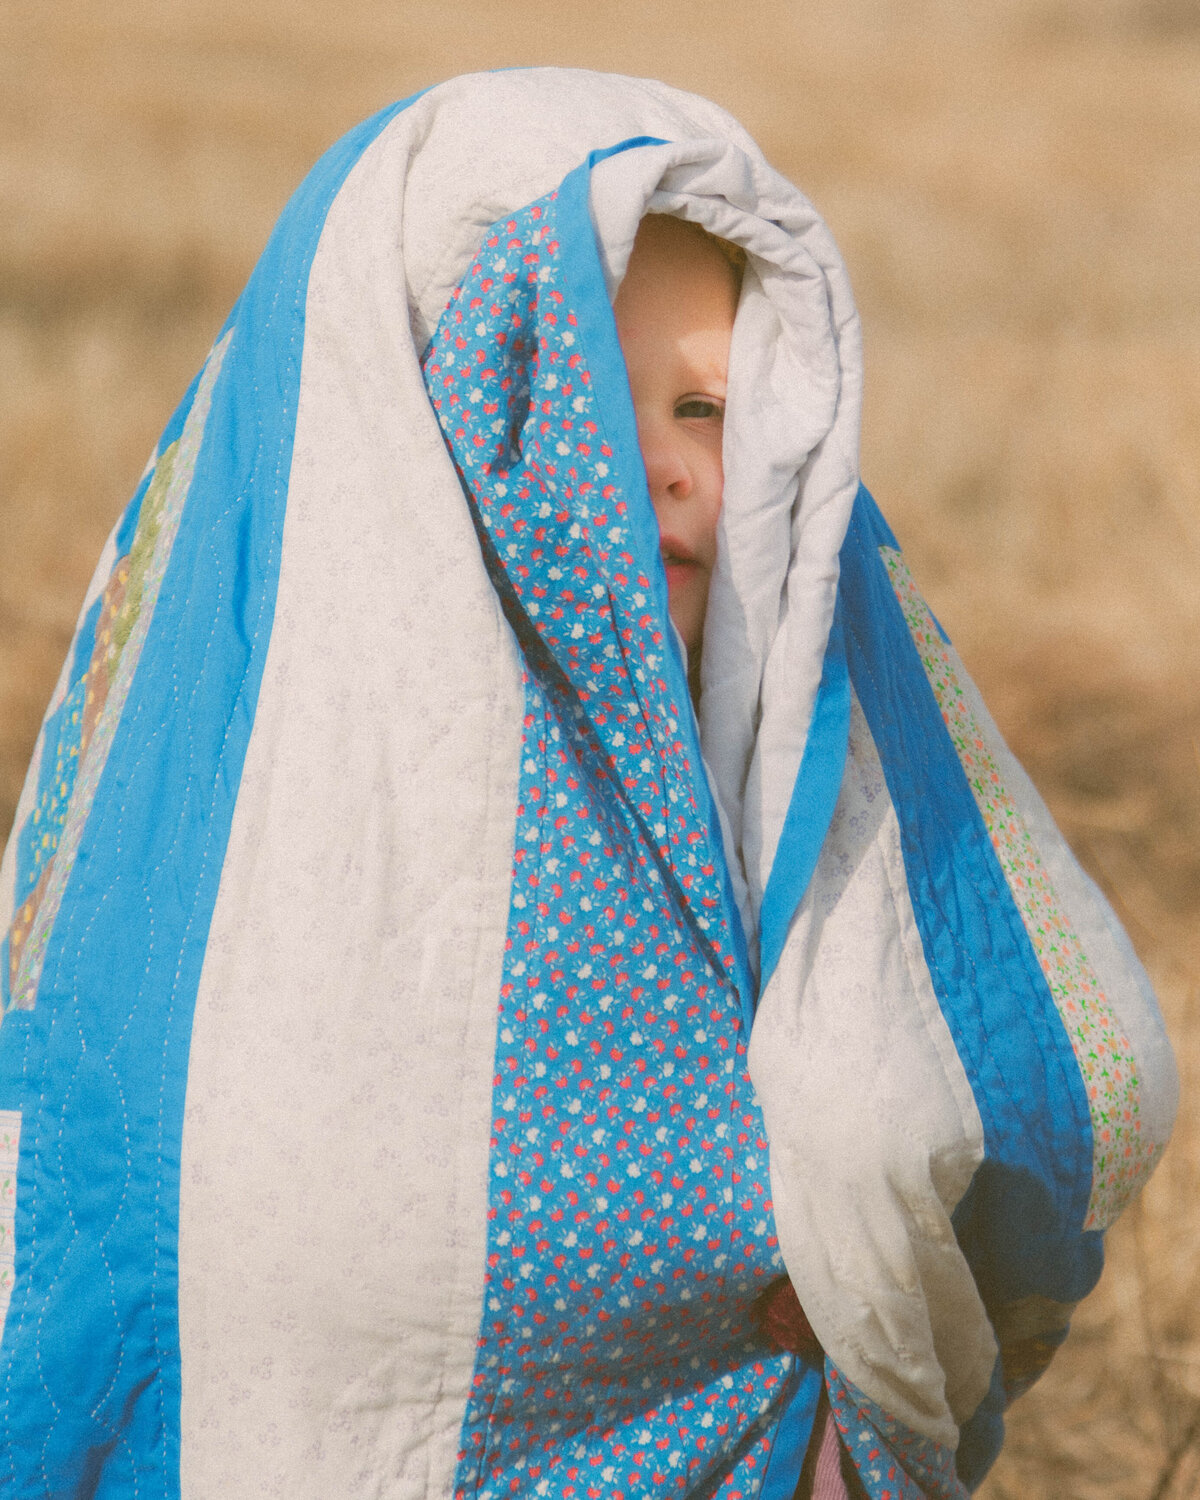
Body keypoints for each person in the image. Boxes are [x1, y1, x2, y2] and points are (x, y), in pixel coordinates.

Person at [0, 69, 1176, 1500]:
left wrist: (870, 1244)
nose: (669, 471)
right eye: (579, 404)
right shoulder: (266, 825)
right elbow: (192, 1224)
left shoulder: (788, 737)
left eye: (706, 407)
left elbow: (1027, 1068)